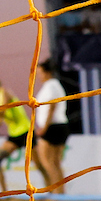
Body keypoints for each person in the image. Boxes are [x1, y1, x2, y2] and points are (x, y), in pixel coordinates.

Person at [30, 61, 71, 192]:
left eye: (40, 72)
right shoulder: (54, 85)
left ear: (47, 72)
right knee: (55, 163)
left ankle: (56, 191)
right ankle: (61, 192)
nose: (38, 75)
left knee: (48, 162)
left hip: (53, 126)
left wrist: (44, 127)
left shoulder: (51, 86)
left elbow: (52, 107)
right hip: (60, 125)